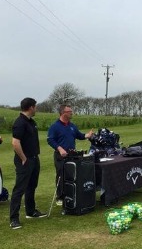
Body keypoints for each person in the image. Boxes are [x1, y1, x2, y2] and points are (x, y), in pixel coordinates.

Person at [9, 97, 46, 229]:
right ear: (31, 107)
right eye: (35, 106)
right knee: (20, 188)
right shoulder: (20, 122)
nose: (36, 109)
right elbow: (15, 142)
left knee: (32, 186)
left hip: (35, 158)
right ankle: (13, 218)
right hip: (24, 160)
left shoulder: (31, 122)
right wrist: (23, 158)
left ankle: (30, 211)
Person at [47, 104, 93, 205]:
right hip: (60, 155)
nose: (71, 113)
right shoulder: (55, 126)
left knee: (72, 175)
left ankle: (71, 194)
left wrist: (87, 136)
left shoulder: (72, 126)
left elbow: (79, 135)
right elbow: (50, 140)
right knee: (61, 176)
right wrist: (60, 149)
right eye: (69, 112)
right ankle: (60, 197)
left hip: (72, 155)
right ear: (63, 113)